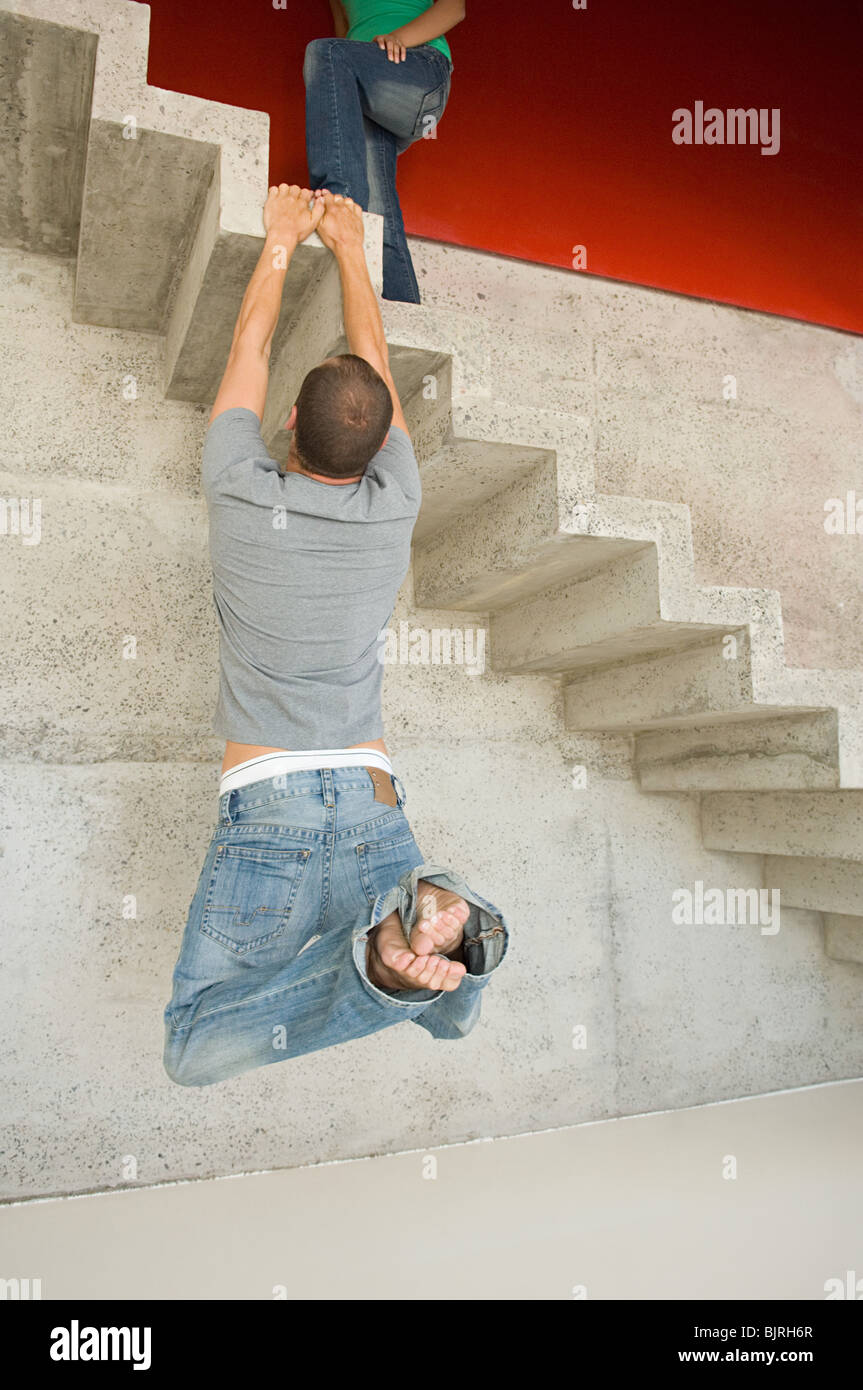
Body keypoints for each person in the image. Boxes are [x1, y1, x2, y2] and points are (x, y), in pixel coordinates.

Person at [163, 185, 508, 1086]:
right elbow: (367, 368)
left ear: (287, 428)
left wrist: (280, 240)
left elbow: (249, 349)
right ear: (382, 442)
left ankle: (385, 961)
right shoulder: (392, 499)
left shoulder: (251, 494)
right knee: (196, 1045)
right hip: (355, 805)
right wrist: (344, 250)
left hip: (322, 805)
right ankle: (423, 951)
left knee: (196, 1050)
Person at [304, 1, 465, 302]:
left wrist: (399, 38)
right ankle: (402, 310)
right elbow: (347, 36)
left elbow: (454, 8)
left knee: (325, 52)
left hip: (421, 67)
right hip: (366, 84)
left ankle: (339, 202)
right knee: (378, 216)